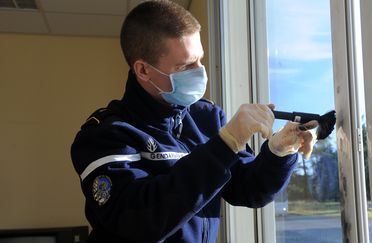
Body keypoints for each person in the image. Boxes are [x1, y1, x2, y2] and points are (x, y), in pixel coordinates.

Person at [70, 1, 317, 242]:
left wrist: (278, 152)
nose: (200, 72)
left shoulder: (206, 117)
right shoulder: (105, 135)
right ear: (143, 70)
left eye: (200, 59)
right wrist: (226, 144)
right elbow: (142, 222)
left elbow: (249, 189)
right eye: (186, 65)